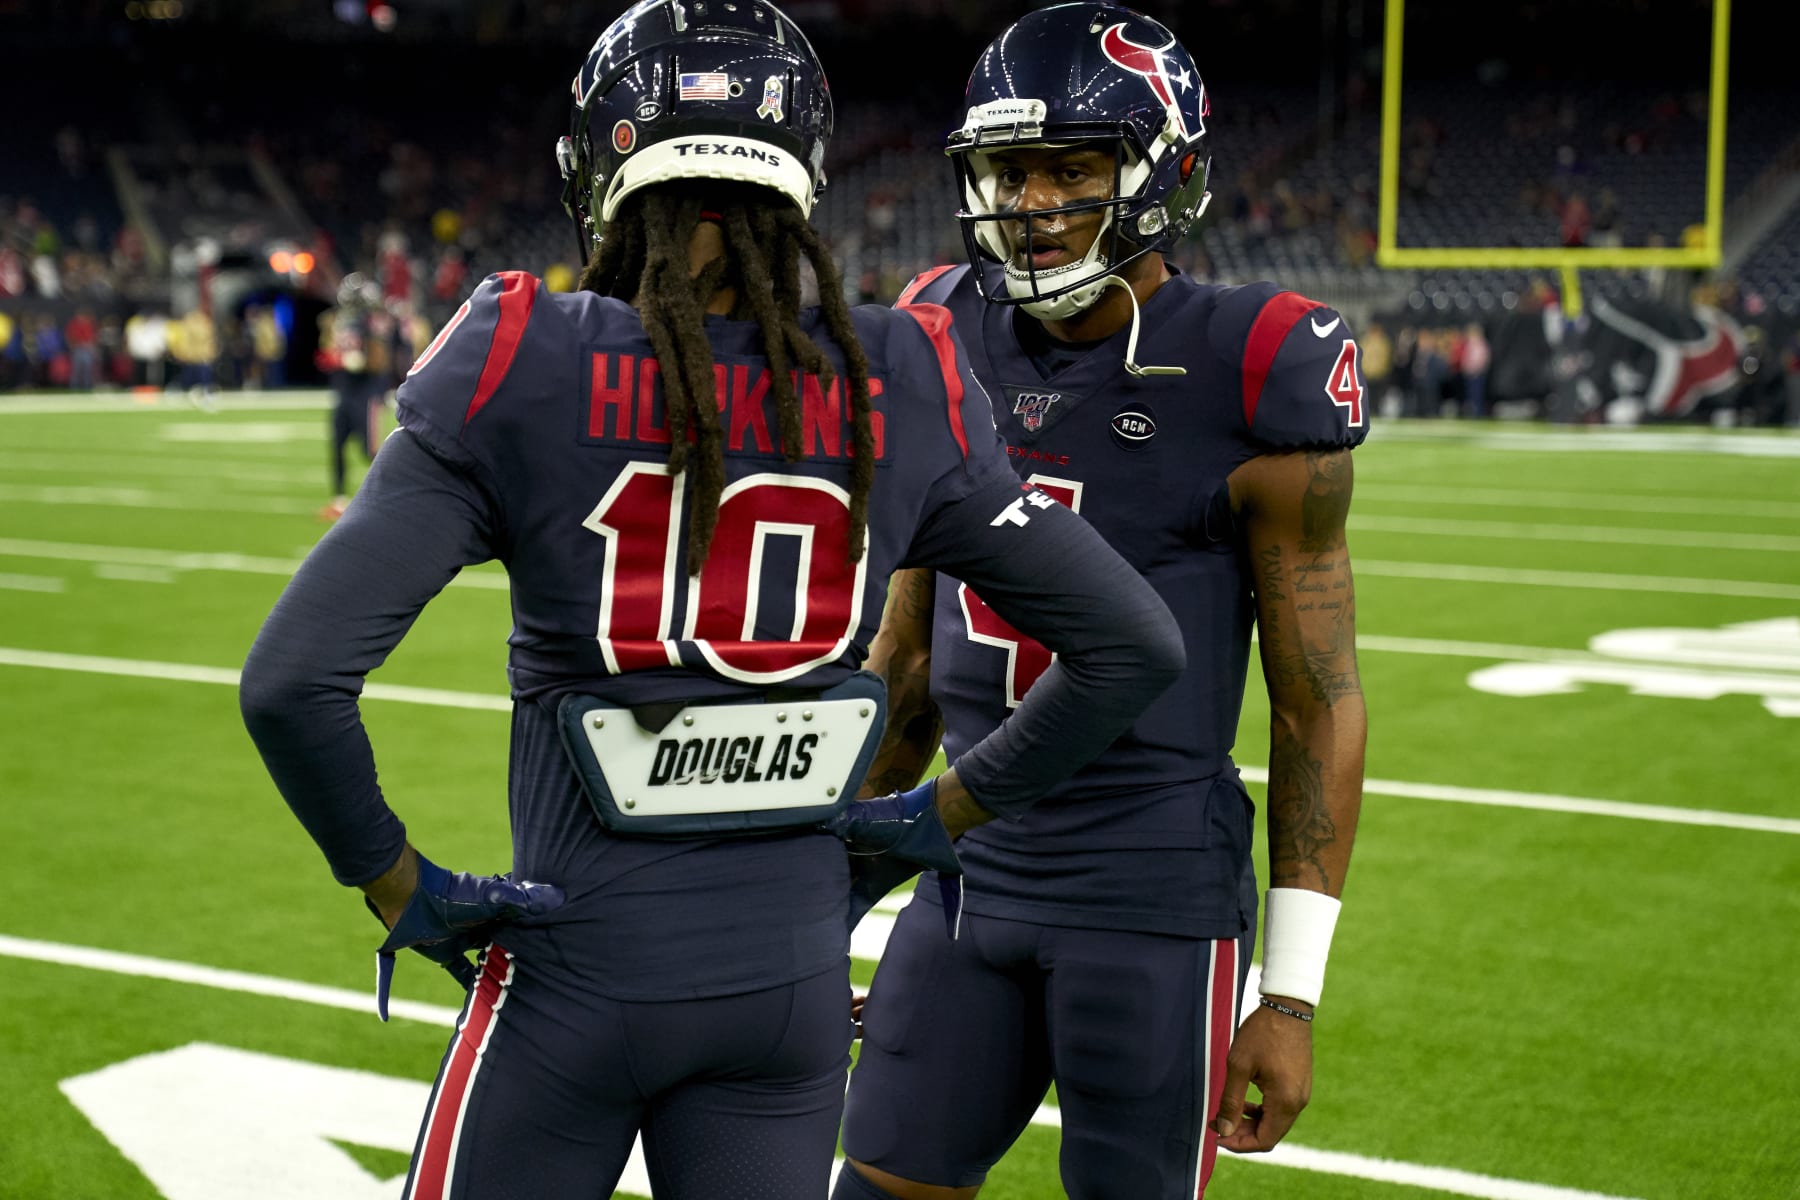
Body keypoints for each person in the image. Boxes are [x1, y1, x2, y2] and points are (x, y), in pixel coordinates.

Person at [238, 3, 1184, 1198]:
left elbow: (290, 685)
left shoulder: (525, 351)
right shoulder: (901, 366)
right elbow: (1132, 646)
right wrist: (938, 817)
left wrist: (397, 882)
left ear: (605, 163)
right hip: (785, 1002)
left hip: (575, 979)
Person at [834, 6, 1369, 1199]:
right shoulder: (936, 325)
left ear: (1160, 171)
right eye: (1006, 172)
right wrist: (819, 887)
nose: (1030, 204)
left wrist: (1288, 994)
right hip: (966, 871)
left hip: (1151, 895)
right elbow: (907, 661)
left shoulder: (1255, 357)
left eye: (1071, 169)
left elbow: (1316, 701)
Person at [315, 272, 391, 519]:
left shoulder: (373, 323)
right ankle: (338, 499)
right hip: (345, 391)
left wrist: (361, 362)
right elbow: (330, 353)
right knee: (337, 445)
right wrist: (336, 360)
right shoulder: (340, 321)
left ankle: (391, 497)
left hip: (367, 394)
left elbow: (379, 362)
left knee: (371, 450)